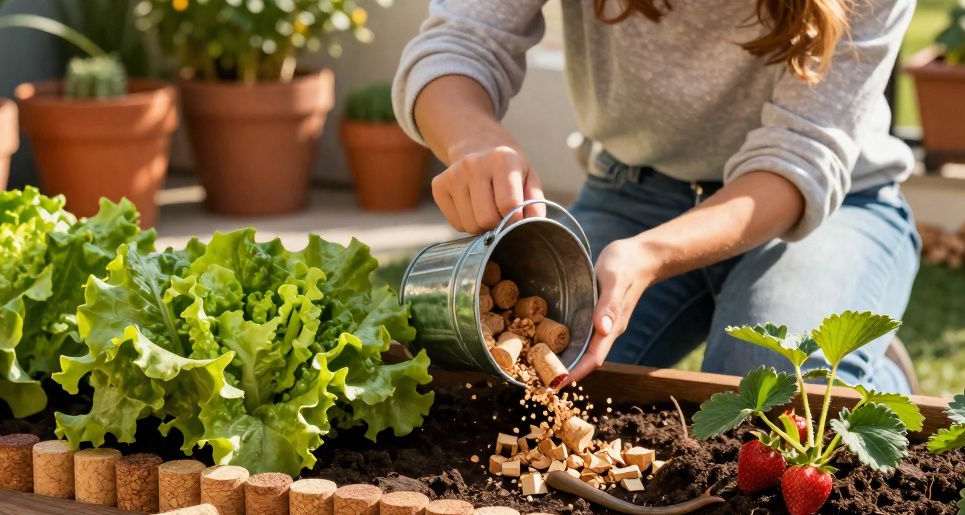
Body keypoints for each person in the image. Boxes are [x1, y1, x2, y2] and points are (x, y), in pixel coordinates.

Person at [393, 0, 921, 391]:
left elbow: (797, 158)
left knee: (769, 391)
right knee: (526, 382)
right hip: (634, 191)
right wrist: (473, 141)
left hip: (823, 207)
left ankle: (881, 378)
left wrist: (650, 254)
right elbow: (459, 43)